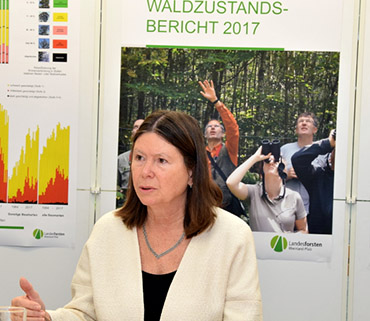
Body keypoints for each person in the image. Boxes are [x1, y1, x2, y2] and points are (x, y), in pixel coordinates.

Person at [12, 110, 263, 321]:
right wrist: (46, 318)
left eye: (161, 161)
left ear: (191, 171)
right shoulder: (108, 230)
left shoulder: (231, 236)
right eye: (139, 158)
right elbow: (84, 313)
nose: (145, 171)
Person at [226, 145, 308, 233]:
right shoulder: (254, 192)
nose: (271, 162)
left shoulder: (294, 197)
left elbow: (303, 230)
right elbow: (231, 183)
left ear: (283, 169)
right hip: (258, 246)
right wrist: (255, 157)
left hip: (284, 246)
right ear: (262, 170)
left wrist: (290, 239)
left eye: (276, 160)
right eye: (267, 161)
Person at [199, 80, 242, 216]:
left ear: (223, 134)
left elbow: (233, 128)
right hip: (203, 207)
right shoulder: (199, 153)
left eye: (216, 126)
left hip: (226, 207)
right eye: (209, 127)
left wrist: (216, 102)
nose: (212, 128)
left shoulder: (229, 149)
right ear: (205, 134)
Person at [291, 130, 336, 235]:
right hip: (319, 241)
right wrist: (328, 143)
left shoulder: (355, 178)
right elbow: (298, 159)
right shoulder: (318, 173)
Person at [281, 112, 324, 214]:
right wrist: (286, 175)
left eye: (308, 121)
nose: (304, 123)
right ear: (296, 130)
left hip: (314, 208)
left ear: (315, 130)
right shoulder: (284, 150)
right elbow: (272, 177)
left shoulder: (322, 151)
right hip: (287, 208)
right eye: (301, 121)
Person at [117, 118, 144, 192]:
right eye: (136, 127)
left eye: (142, 127)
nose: (138, 129)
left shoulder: (155, 159)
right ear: (132, 133)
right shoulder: (121, 159)